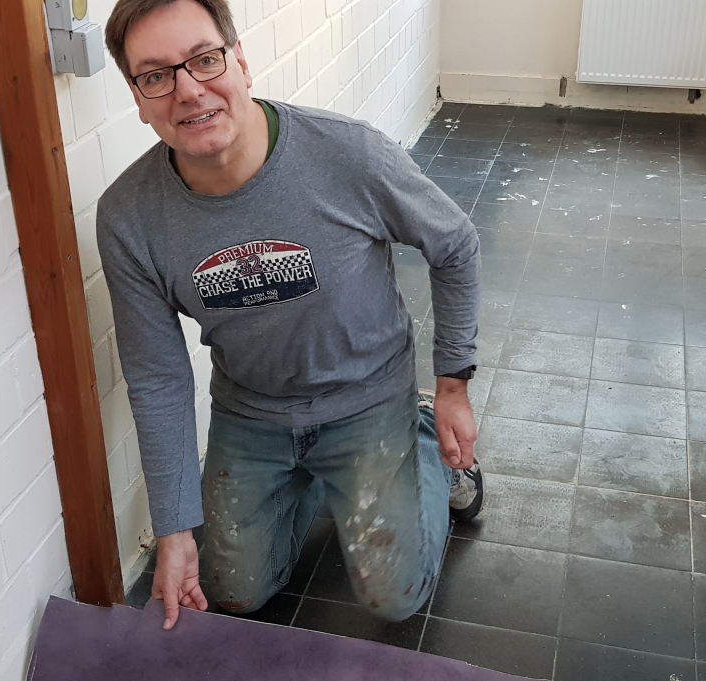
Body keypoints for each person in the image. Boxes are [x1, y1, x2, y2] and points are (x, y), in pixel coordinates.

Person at [97, 0, 484, 631]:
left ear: (240, 60)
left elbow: (455, 243)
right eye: (156, 76)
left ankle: (419, 442)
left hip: (365, 394)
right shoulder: (128, 217)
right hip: (253, 412)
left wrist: (452, 385)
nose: (188, 91)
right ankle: (310, 477)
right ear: (138, 98)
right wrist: (173, 530)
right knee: (234, 593)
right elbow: (157, 377)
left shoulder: (349, 154)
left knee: (395, 598)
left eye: (204, 59)